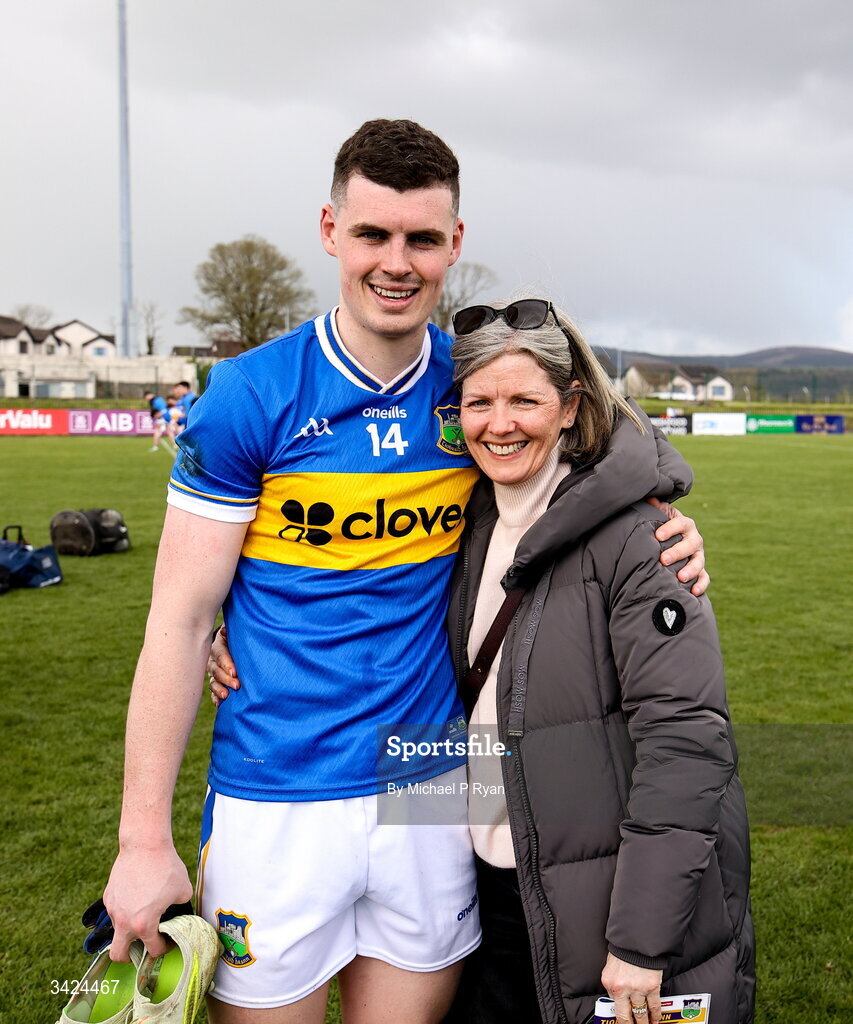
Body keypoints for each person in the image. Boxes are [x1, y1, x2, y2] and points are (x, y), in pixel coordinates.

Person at [106, 121, 708, 1024]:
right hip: (279, 780)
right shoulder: (250, 394)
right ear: (329, 230)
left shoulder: (473, 391)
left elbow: (599, 461)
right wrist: (141, 838)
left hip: (435, 778)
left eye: (422, 238)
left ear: (453, 244)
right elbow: (180, 623)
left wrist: (667, 523)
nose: (397, 262)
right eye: (372, 234)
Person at [440, 298, 753, 1024]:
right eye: (479, 401)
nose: (500, 422)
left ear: (570, 404)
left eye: (524, 399)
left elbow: (686, 747)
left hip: (599, 907)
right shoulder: (466, 525)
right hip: (485, 893)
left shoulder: (641, 539)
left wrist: (641, 942)